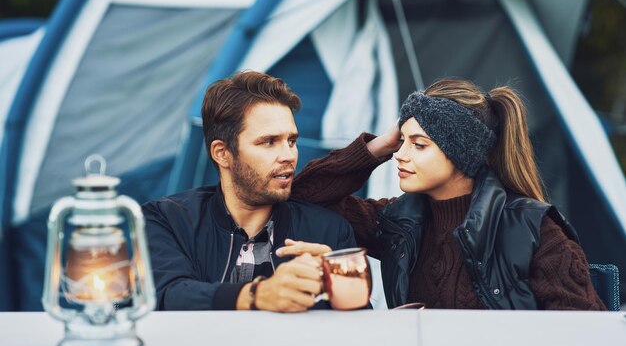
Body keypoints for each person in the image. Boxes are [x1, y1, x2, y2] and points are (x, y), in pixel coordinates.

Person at [281, 78, 606, 310]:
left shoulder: (532, 230)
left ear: (461, 152)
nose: (400, 154)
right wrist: (378, 145)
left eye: (418, 145)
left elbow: (585, 335)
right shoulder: (397, 223)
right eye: (401, 140)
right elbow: (302, 196)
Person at [143, 71, 355, 312]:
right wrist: (258, 295)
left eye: (292, 141)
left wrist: (340, 281)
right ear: (222, 153)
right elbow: (166, 296)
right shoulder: (168, 220)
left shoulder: (328, 231)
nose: (288, 155)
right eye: (269, 142)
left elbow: (361, 332)